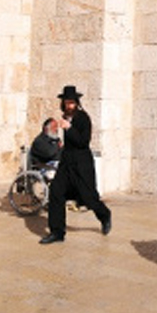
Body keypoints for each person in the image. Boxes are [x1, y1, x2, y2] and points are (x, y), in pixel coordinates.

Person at [39, 85, 112, 245]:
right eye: (66, 102)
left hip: (82, 164)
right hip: (67, 164)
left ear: (76, 103)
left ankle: (105, 215)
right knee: (56, 193)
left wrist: (69, 128)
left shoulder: (83, 118)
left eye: (71, 103)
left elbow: (83, 142)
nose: (69, 105)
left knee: (88, 198)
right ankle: (57, 232)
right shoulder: (65, 117)